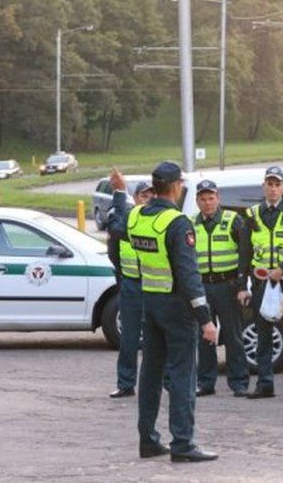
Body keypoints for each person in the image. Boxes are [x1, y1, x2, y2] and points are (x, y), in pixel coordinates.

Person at [117, 161, 218, 462]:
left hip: (150, 301)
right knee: (182, 376)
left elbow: (117, 229)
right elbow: (189, 277)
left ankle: (148, 440)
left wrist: (120, 192)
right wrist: (206, 319)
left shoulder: (137, 217)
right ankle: (183, 444)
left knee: (150, 374)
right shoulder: (177, 223)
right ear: (176, 186)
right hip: (176, 307)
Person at [237, 166, 283, 399]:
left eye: (277, 184)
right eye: (269, 184)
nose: (273, 188)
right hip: (261, 284)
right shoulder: (252, 214)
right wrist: (242, 286)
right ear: (263, 187)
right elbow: (245, 252)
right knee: (263, 335)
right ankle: (265, 383)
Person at [191, 179, 250, 398]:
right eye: (203, 199)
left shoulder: (233, 220)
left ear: (218, 199)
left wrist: (243, 285)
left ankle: (239, 382)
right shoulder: (191, 223)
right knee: (205, 336)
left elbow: (245, 254)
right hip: (202, 286)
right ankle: (206, 382)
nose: (208, 203)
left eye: (211, 198)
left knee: (233, 336)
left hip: (228, 285)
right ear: (197, 201)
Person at [107, 176, 153, 399]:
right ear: (135, 198)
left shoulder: (157, 220)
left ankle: (164, 382)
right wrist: (124, 281)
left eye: (152, 195)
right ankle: (126, 383)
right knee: (129, 338)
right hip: (132, 285)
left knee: (158, 339)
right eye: (144, 195)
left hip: (156, 286)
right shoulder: (128, 218)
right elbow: (114, 244)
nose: (148, 200)